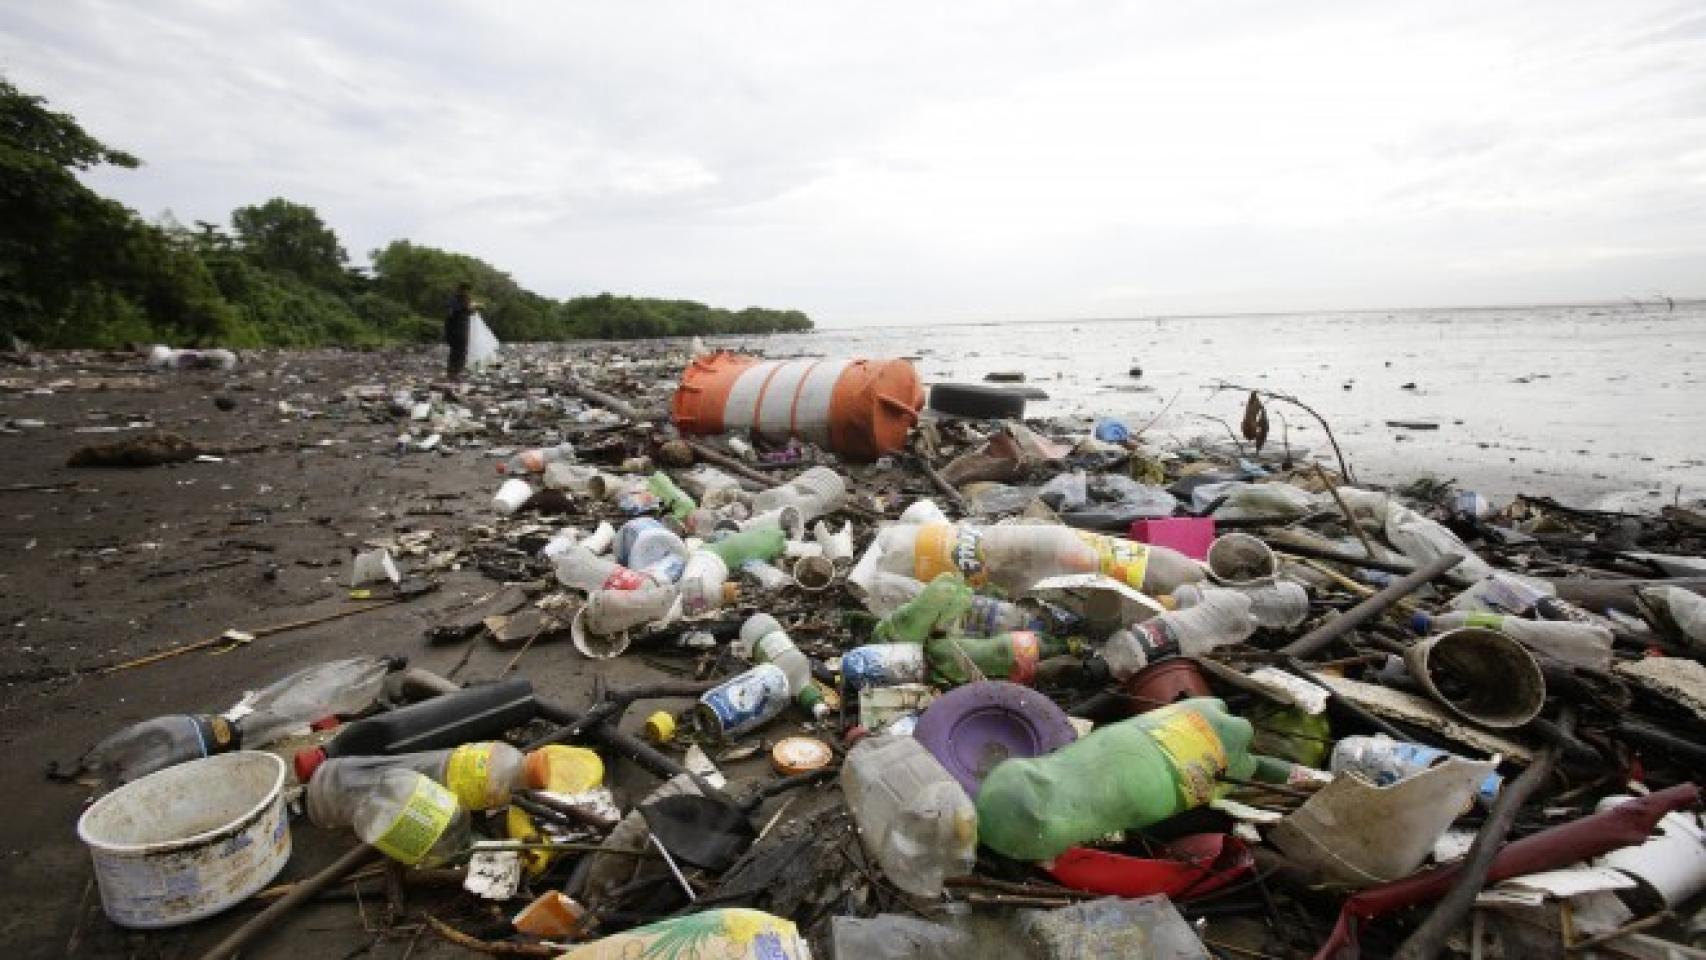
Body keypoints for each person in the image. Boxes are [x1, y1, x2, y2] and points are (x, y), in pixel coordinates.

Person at [445, 282, 477, 379]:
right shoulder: (458, 300)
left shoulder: (456, 299)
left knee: (456, 351)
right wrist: (471, 308)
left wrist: (472, 309)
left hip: (456, 329)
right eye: (466, 290)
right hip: (457, 329)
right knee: (459, 351)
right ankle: (454, 372)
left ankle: (453, 372)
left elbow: (468, 312)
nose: (468, 293)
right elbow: (454, 312)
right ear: (463, 290)